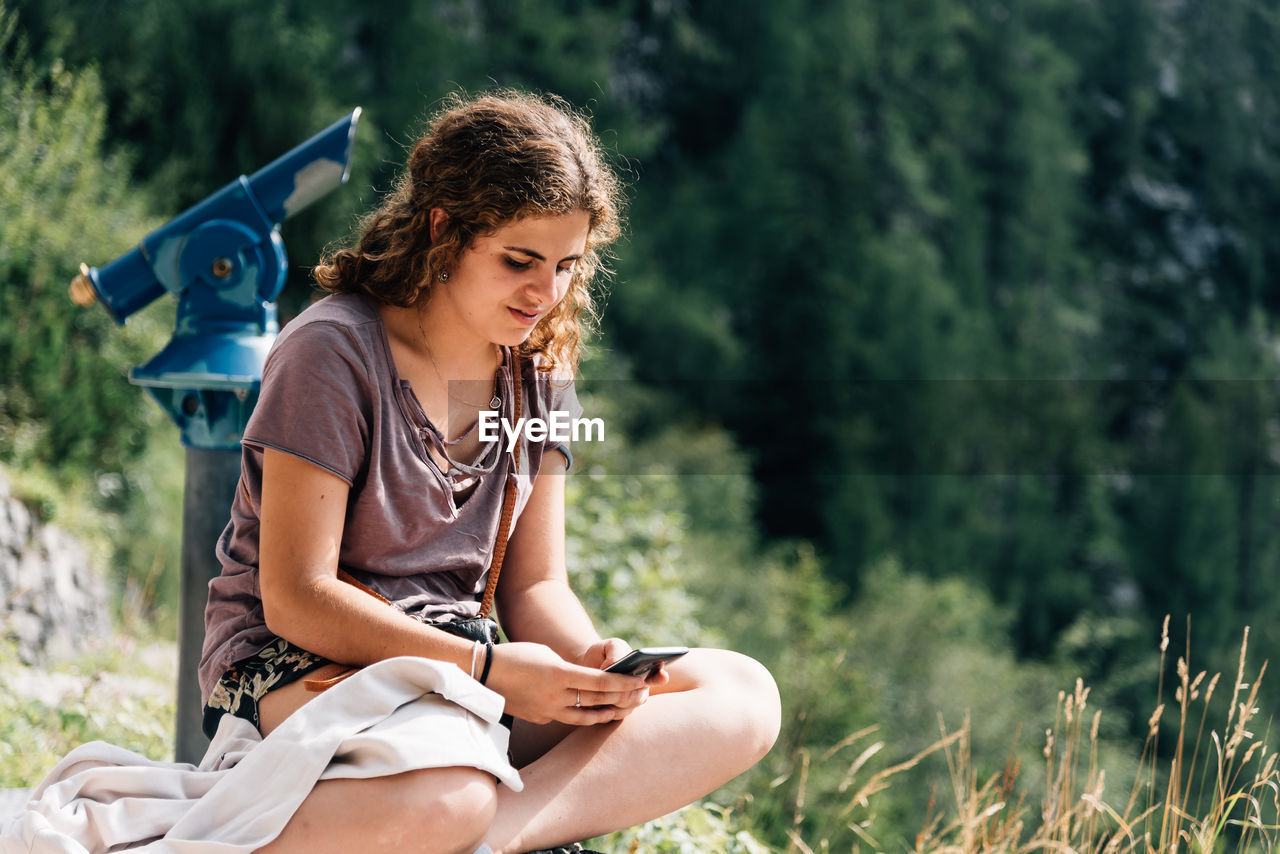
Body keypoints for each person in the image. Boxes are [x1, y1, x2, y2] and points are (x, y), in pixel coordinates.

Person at [197, 89, 781, 854]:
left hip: (460, 674)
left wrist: (590, 665)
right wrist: (490, 667)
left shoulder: (538, 374)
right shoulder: (332, 353)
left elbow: (536, 588)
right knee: (449, 788)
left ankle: (487, 840)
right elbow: (297, 598)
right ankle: (463, 825)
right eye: (520, 261)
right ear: (443, 229)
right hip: (298, 664)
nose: (546, 294)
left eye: (568, 266)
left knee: (740, 695)